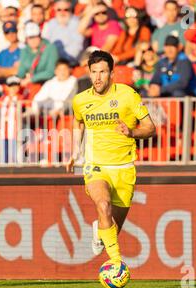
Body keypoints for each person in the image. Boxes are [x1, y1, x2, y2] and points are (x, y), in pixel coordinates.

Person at [66, 50, 156, 266]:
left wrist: (132, 132)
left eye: (103, 72)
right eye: (94, 72)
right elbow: (78, 122)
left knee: (112, 227)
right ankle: (116, 264)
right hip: (96, 165)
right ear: (88, 73)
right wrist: (74, 151)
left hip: (124, 168)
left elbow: (150, 128)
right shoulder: (80, 100)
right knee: (103, 204)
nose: (98, 77)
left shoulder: (127, 95)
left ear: (112, 74)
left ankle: (101, 230)